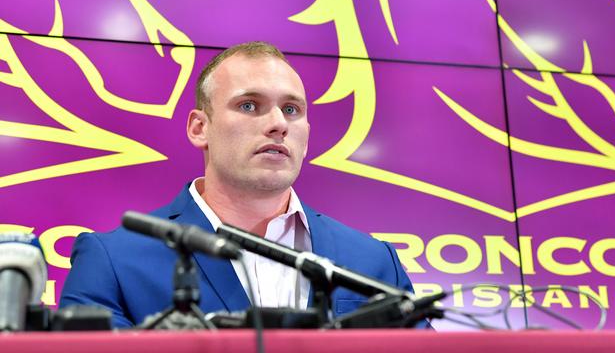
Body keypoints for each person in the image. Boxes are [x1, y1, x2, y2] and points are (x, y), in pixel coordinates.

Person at [60, 41, 415, 328]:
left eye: (292, 110)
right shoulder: (112, 260)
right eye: (249, 105)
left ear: (307, 134)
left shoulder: (375, 262)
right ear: (200, 128)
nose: (278, 124)